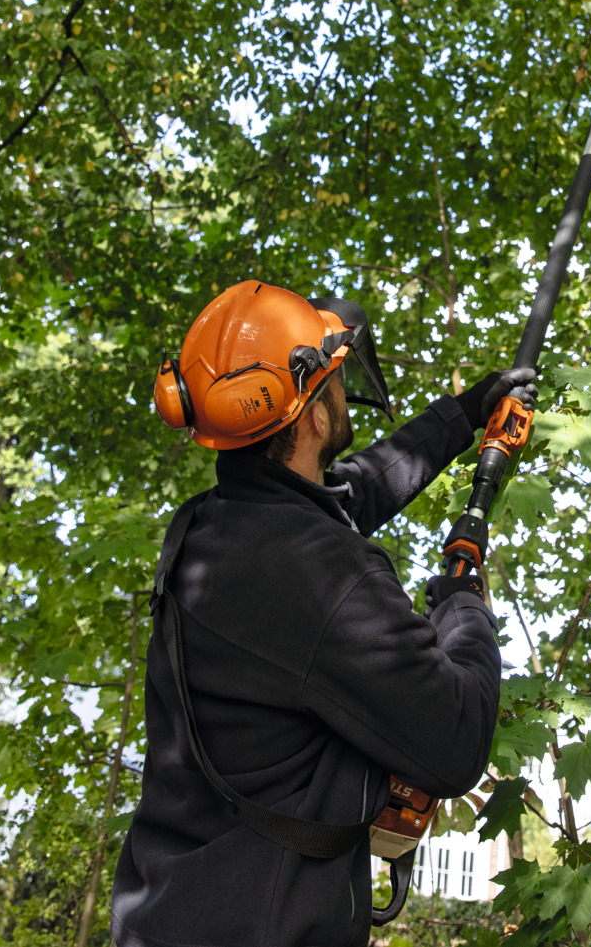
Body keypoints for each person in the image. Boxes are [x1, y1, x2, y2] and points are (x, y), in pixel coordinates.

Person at [112, 279, 534, 947]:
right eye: (333, 380)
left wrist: (463, 414)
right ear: (311, 413)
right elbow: (456, 740)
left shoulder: (211, 531)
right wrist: (461, 605)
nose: (341, 391)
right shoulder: (322, 573)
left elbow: (350, 492)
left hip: (167, 913)